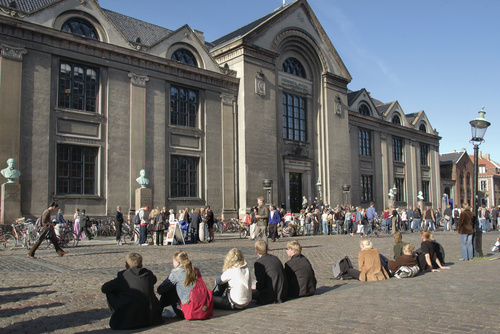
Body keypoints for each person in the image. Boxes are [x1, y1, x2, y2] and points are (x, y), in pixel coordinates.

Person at [101, 252, 162, 330]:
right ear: (141, 265)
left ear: (126, 265)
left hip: (128, 318)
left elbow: (105, 288)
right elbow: (154, 280)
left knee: (111, 291)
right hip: (150, 317)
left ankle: (118, 315)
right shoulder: (148, 274)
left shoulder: (123, 276)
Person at [157, 251, 209, 319]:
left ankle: (157, 313)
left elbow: (160, 289)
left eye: (173, 261)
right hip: (202, 307)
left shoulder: (176, 273)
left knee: (168, 291)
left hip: (188, 310)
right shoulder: (196, 270)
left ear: (178, 262)